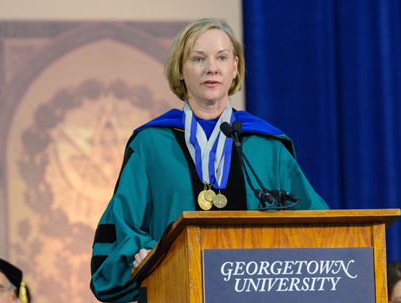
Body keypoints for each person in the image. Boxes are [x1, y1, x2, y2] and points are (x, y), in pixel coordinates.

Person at [90, 18, 328, 302]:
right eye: (198, 58)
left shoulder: (267, 145)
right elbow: (121, 229)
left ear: (235, 67)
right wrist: (150, 253)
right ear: (180, 69)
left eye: (222, 57)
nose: (211, 68)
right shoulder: (150, 145)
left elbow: (317, 228)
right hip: (174, 293)